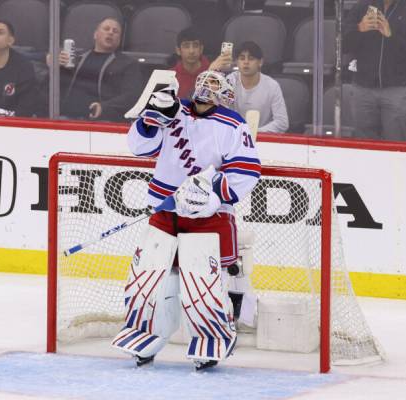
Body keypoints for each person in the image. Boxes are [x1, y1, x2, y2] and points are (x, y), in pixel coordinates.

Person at [111, 70, 261, 370]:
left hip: (207, 217)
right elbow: (139, 148)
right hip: (165, 212)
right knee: (150, 279)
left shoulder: (233, 124)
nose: (207, 89)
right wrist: (149, 118)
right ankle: (146, 335)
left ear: (226, 93)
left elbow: (246, 171)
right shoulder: (172, 110)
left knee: (201, 283)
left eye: (215, 85)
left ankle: (212, 339)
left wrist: (213, 196)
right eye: (205, 82)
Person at [343, 0, 406, 141]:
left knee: (395, 144)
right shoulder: (360, 8)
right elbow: (343, 45)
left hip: (396, 89)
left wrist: (391, 35)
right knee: (364, 144)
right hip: (363, 87)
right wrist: (359, 28)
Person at [57, 17, 142, 122]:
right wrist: (55, 65)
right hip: (64, 119)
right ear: (95, 34)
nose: (110, 32)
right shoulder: (76, 58)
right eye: (106, 29)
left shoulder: (128, 64)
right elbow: (54, 87)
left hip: (104, 122)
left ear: (119, 40)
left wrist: (104, 108)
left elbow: (132, 95)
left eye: (115, 31)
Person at [226, 41, 288, 133]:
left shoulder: (272, 86)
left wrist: (255, 133)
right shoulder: (230, 81)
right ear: (236, 62)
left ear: (260, 62)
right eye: (242, 58)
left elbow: (282, 122)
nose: (246, 62)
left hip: (263, 139)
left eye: (251, 59)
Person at [170, 26, 231, 99]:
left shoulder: (216, 72)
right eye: (186, 46)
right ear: (178, 50)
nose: (191, 51)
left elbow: (222, 102)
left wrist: (211, 73)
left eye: (195, 45)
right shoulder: (169, 75)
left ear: (201, 49)